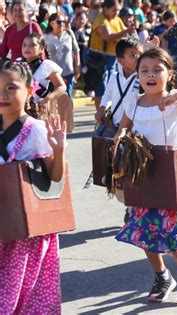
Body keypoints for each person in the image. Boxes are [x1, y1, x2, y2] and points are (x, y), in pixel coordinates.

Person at [114, 48, 177, 304]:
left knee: (172, 233)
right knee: (143, 232)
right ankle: (162, 276)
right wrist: (121, 139)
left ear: (169, 73)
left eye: (158, 69)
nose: (151, 74)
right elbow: (122, 130)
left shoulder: (176, 101)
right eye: (144, 70)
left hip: (172, 179)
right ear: (138, 75)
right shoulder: (133, 102)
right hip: (143, 177)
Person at [0, 59, 67, 314]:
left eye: (10, 88)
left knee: (27, 300)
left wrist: (59, 151)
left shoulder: (37, 130)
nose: (2, 95)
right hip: (1, 229)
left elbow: (55, 178)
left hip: (28, 237)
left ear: (29, 91)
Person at [88, 0, 135, 109]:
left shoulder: (117, 20)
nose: (116, 13)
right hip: (99, 58)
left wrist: (129, 31)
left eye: (118, 10)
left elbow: (125, 35)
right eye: (114, 10)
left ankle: (109, 113)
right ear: (105, 9)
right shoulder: (100, 21)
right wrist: (125, 31)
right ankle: (101, 114)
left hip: (112, 58)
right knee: (101, 88)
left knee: (111, 87)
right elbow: (108, 37)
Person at [43, 12, 79, 132]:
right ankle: (55, 125)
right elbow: (42, 55)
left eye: (64, 21)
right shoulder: (46, 36)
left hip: (68, 72)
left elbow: (76, 50)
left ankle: (66, 125)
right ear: (51, 23)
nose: (62, 24)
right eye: (59, 22)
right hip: (52, 75)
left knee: (67, 99)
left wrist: (77, 66)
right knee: (54, 100)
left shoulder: (69, 33)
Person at [95, 37, 142, 126]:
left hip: (135, 128)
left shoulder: (142, 78)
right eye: (133, 55)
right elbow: (108, 95)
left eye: (140, 54)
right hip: (115, 124)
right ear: (121, 61)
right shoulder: (114, 77)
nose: (138, 58)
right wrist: (102, 108)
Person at [21, 33, 67, 117]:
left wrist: (47, 100)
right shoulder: (18, 62)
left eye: (32, 45)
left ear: (41, 49)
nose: (27, 48)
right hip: (19, 109)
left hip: (38, 109)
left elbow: (61, 86)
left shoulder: (46, 65)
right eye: (24, 45)